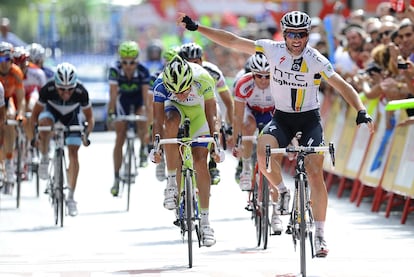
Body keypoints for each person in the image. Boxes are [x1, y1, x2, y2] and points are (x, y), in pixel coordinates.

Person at [178, 10, 375, 257]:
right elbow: (232, 41)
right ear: (284, 34)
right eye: (291, 34)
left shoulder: (315, 59)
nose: (296, 39)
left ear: (307, 35)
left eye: (301, 34)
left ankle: (321, 234)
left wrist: (361, 109)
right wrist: (197, 28)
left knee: (315, 172)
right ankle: (282, 191)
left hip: (309, 120)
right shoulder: (272, 49)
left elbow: (343, 86)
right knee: (263, 152)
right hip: (281, 118)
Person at [150, 55, 220, 247]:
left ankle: (206, 223)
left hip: (199, 115)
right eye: (176, 91)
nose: (181, 95)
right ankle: (172, 182)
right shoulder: (160, 84)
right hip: (174, 111)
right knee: (170, 122)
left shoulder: (203, 79)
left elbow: (212, 115)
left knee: (200, 161)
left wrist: (216, 143)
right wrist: (156, 147)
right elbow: (157, 120)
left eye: (184, 90)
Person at [31, 62, 94, 216]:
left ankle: (71, 197)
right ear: (55, 84)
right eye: (62, 89)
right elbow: (34, 115)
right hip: (51, 114)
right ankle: (45, 159)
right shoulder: (48, 89)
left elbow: (90, 118)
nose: (66, 93)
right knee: (44, 124)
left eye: (69, 89)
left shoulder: (81, 91)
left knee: (74, 153)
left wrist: (86, 135)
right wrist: (35, 135)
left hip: (71, 118)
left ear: (75, 86)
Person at [232, 53, 285, 234]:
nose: (263, 80)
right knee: (248, 126)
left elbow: (286, 115)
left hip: (272, 114)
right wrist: (237, 140)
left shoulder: (280, 84)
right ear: (252, 74)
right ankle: (246, 168)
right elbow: (237, 116)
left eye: (267, 76)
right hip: (251, 112)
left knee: (274, 161)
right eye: (259, 76)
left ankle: (277, 214)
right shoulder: (243, 84)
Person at [178, 42, 234, 185]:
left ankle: (213, 162)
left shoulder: (213, 71)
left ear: (202, 60)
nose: (193, 66)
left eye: (196, 62)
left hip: (207, 103)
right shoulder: (176, 71)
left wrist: (230, 125)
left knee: (216, 118)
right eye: (188, 62)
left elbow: (227, 99)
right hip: (185, 105)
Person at [108, 40, 150, 197]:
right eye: (124, 62)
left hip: (138, 100)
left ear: (137, 60)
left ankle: (143, 149)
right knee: (120, 137)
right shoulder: (114, 70)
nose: (128, 66)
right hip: (122, 101)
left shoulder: (144, 71)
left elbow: (146, 98)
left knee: (143, 117)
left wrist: (148, 115)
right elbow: (112, 95)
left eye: (132, 62)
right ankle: (116, 177)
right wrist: (111, 113)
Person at [0, 42, 26, 184]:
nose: (4, 63)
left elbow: (21, 99)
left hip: (7, 99)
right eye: (1, 59)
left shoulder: (16, 72)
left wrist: (20, 114)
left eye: (7, 59)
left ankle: (9, 162)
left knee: (10, 118)